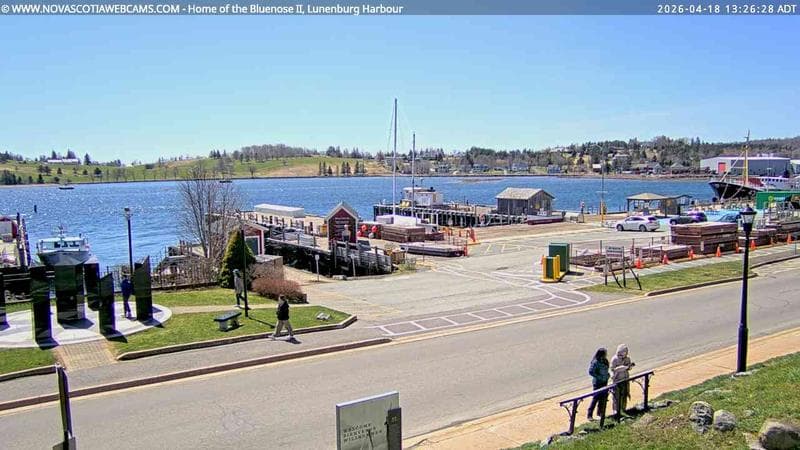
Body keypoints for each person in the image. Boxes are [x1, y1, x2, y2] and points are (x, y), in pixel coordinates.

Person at [610, 344, 635, 417]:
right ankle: (616, 411)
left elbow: (629, 368)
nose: (626, 353)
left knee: (625, 394)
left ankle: (623, 409)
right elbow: (613, 369)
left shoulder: (627, 358)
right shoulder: (614, 359)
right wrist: (623, 368)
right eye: (625, 352)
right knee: (617, 396)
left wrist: (629, 366)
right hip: (617, 380)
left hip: (625, 379)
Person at [587, 347, 610, 421]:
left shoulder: (605, 361)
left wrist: (607, 375)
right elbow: (591, 371)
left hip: (604, 381)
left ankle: (600, 413)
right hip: (597, 383)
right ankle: (589, 414)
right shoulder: (595, 362)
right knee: (595, 398)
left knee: (603, 398)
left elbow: (607, 369)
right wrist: (599, 377)